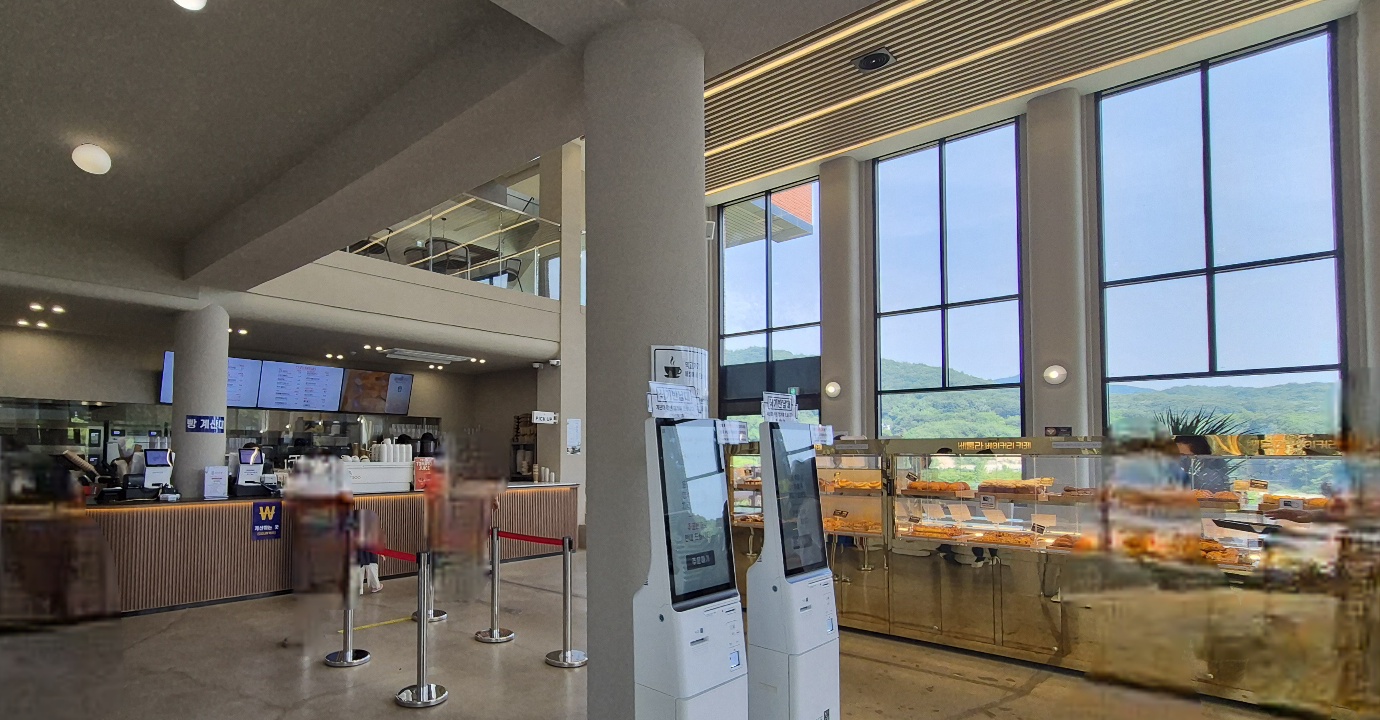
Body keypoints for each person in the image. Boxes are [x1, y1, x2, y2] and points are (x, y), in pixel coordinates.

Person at [354, 508, 382, 594]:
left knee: (358, 570)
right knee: (372, 568)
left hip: (357, 556)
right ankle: (375, 586)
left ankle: (359, 589)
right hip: (370, 555)